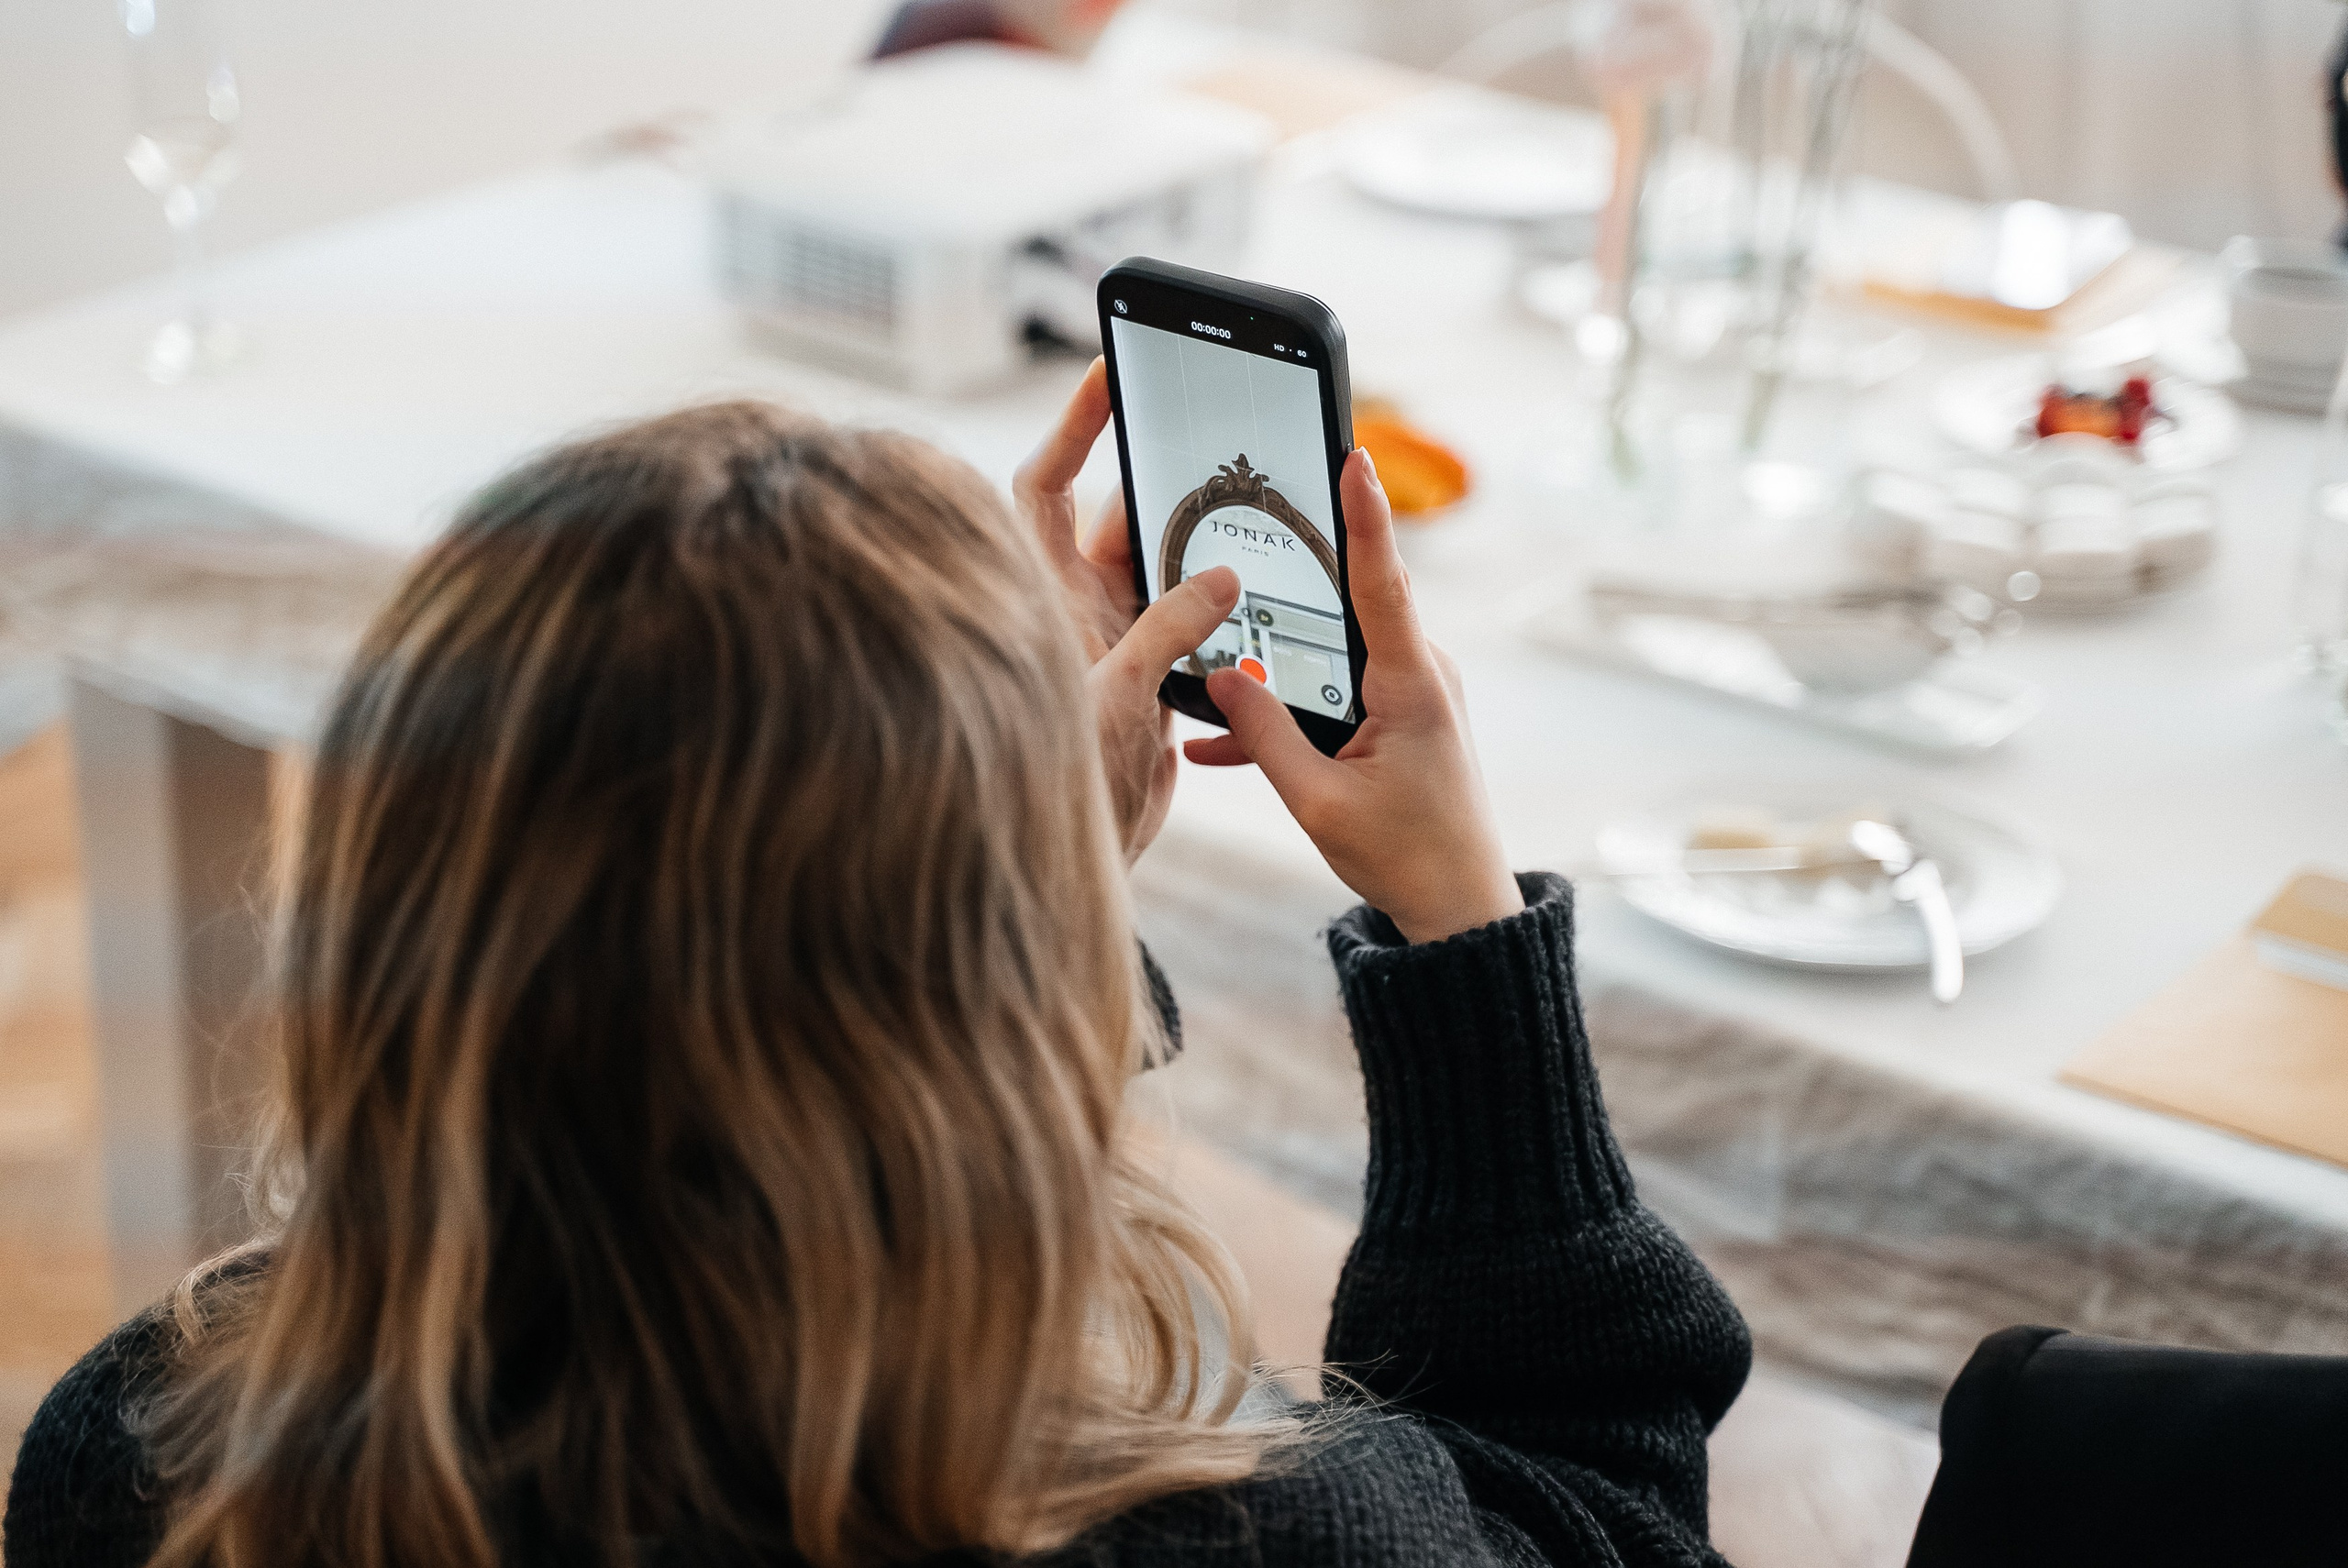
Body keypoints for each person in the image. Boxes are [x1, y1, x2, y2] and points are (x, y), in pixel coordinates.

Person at [2, 363, 1750, 1568]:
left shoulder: (145, 1454)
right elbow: (1595, 1514)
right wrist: (1458, 921)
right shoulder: (1254, 1536)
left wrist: (1014, 854)